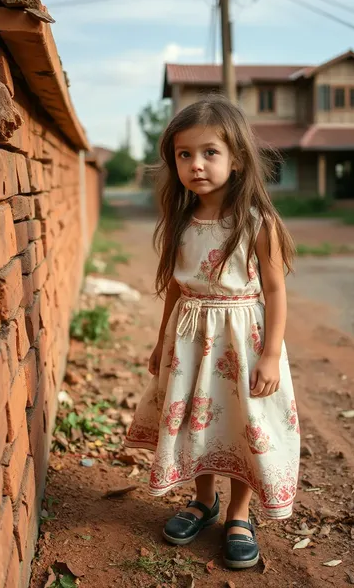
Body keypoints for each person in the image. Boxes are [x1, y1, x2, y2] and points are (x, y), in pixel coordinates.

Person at [126, 95, 300, 570]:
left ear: (237, 158)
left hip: (243, 341)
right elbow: (173, 291)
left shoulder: (258, 222)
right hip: (190, 339)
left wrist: (270, 353)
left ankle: (240, 516)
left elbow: (276, 291)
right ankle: (204, 502)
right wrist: (162, 341)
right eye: (184, 155)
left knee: (244, 422)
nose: (196, 165)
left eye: (209, 153)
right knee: (195, 421)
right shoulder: (181, 222)